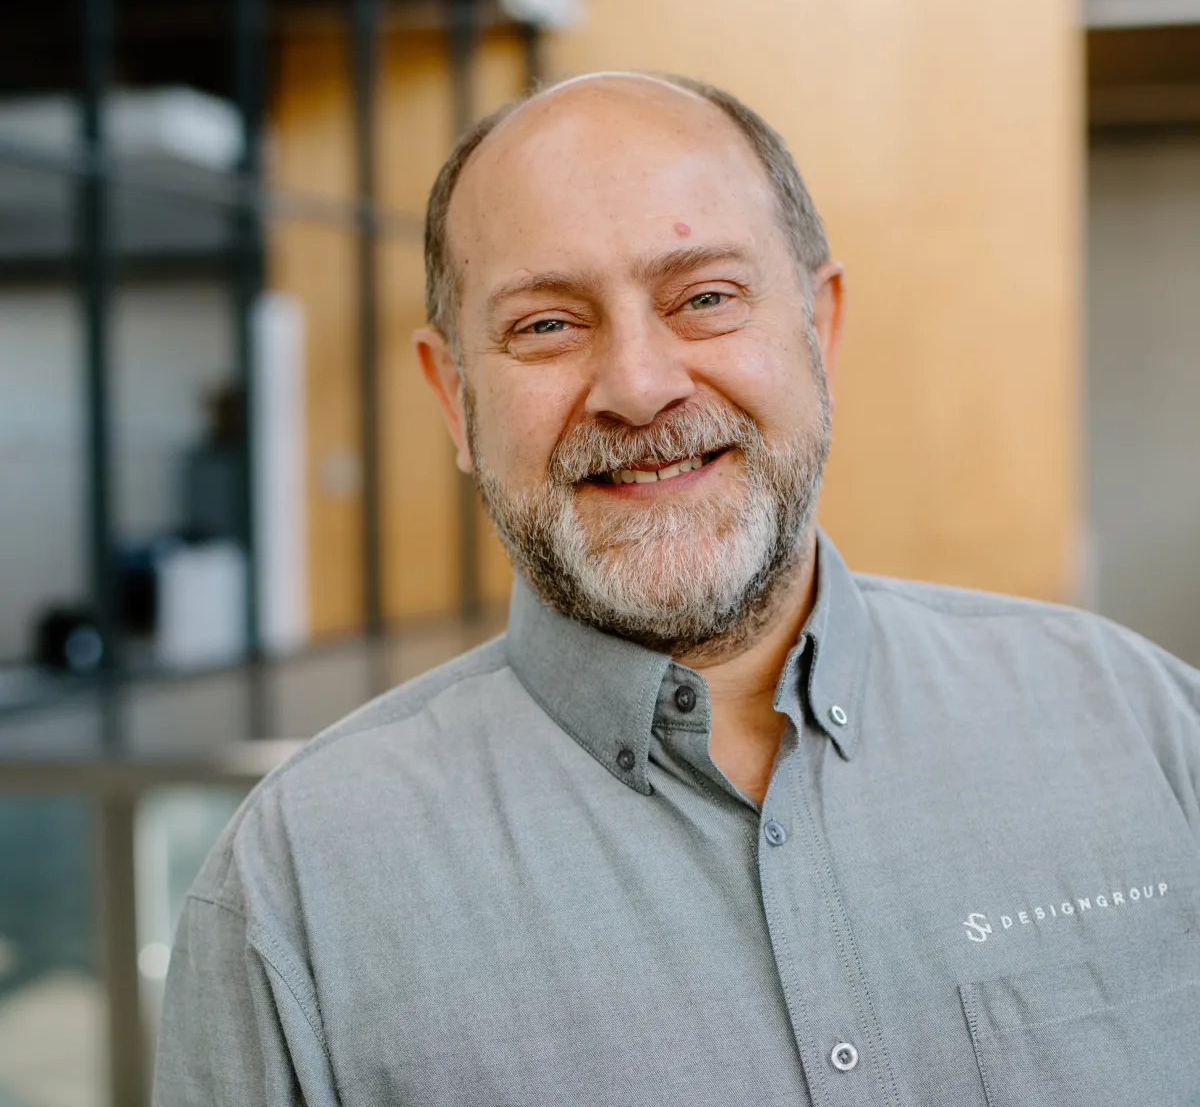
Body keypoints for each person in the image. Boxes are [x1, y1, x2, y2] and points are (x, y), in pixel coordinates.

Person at [154, 73, 1200, 1106]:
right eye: (547, 326)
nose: (640, 385)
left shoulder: (1147, 730)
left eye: (704, 299)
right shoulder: (292, 893)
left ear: (819, 333)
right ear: (452, 396)